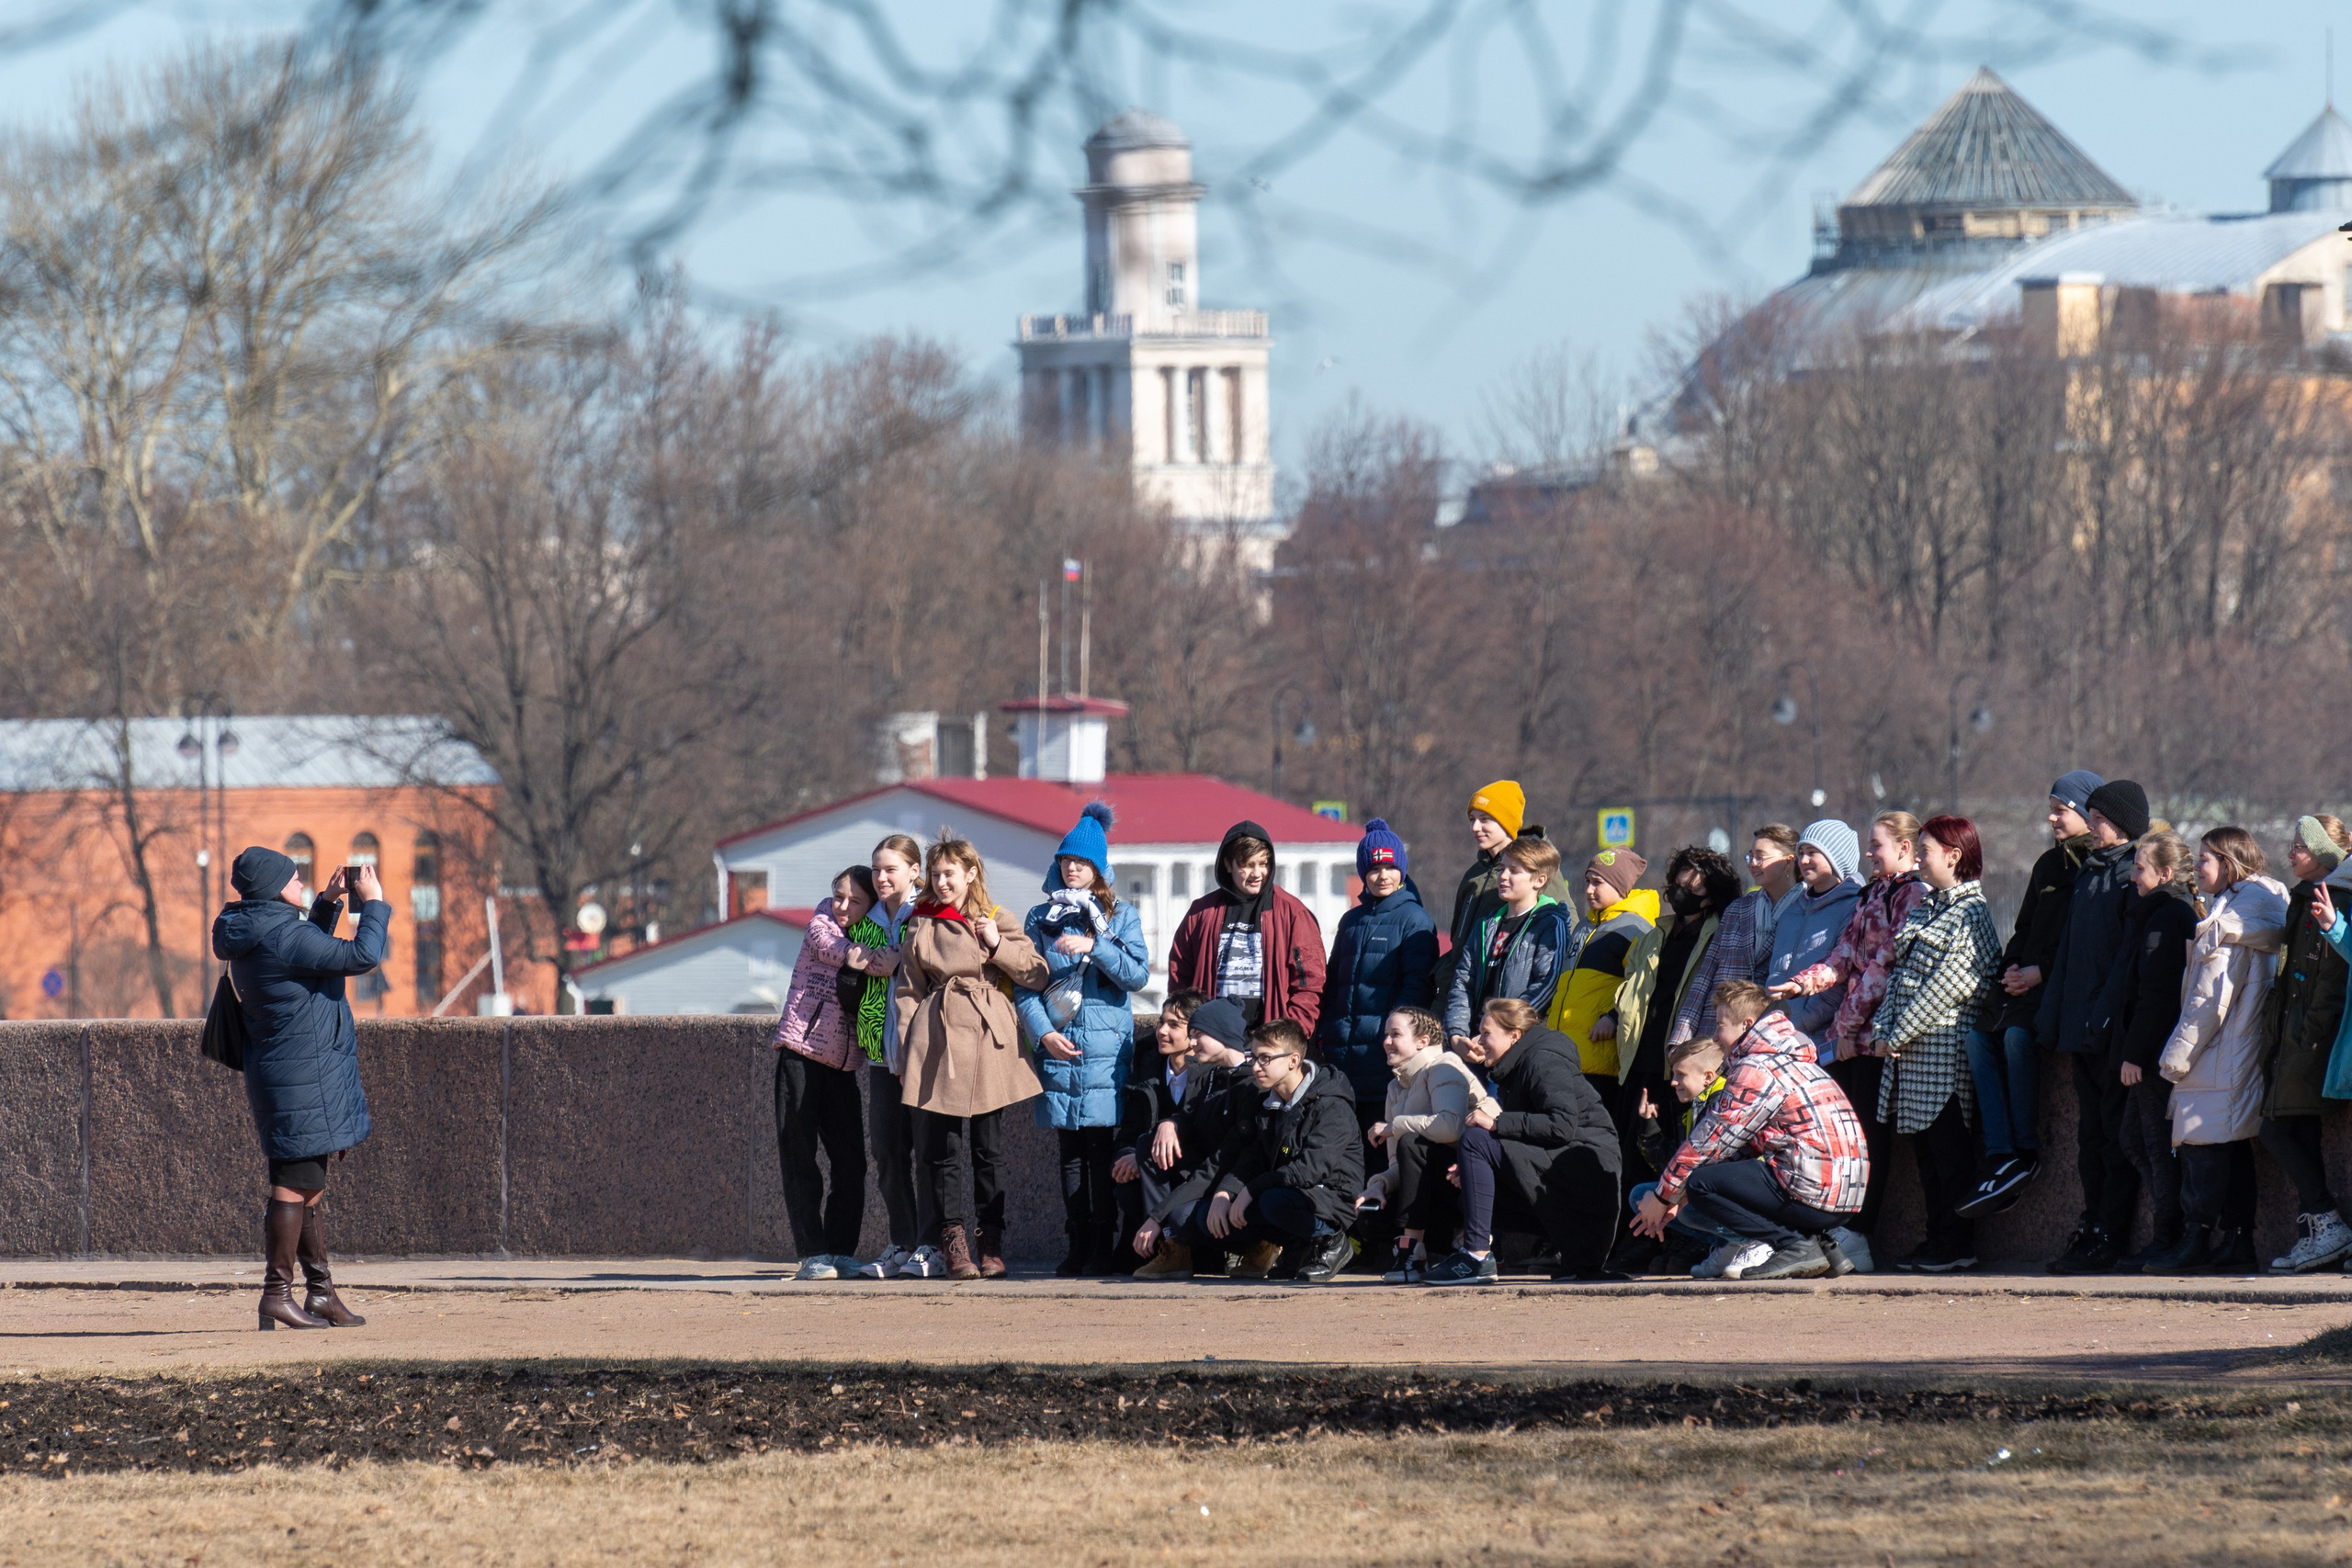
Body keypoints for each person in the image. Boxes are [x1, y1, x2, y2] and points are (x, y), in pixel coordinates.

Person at [212, 845, 391, 1330]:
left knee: (308, 1185)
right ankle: (277, 1294)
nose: (300, 882)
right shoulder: (282, 935)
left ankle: (320, 1293)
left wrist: (328, 904)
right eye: (293, 878)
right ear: (274, 887)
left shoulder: (258, 929)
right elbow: (361, 956)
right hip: (300, 1078)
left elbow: (305, 952)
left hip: (287, 1073)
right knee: (293, 1185)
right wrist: (374, 903)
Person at [1632, 982, 1871, 1281]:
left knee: (1701, 1184)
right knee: (1708, 1179)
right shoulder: (1794, 1060)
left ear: (1746, 1025)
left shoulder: (1757, 1068)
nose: (1715, 1036)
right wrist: (1676, 1196)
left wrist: (1662, 1196)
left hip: (1815, 1190)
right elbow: (1741, 1146)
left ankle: (1794, 1245)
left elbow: (1708, 1144)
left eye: (1720, 1026)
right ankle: (1825, 1247)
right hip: (1847, 1195)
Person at [1771, 812, 1928, 1258]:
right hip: (1854, 1037)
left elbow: (1882, 966)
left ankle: (1860, 1233)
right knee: (1845, 1142)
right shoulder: (1874, 892)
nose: (1869, 853)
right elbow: (1843, 958)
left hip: (1877, 1037)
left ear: (1904, 848)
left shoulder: (1912, 893)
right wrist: (1802, 984)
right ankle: (1839, 1227)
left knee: (1869, 1140)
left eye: (1876, 845)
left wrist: (1845, 1026)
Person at [896, 832, 1050, 1281]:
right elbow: (908, 990)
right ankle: (954, 1243)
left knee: (989, 1148)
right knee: (941, 1149)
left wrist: (997, 945)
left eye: (950, 874)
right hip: (938, 1036)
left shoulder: (996, 917)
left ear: (971, 874)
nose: (941, 883)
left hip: (987, 1035)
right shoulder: (921, 923)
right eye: (935, 874)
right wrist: (906, 1050)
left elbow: (1037, 973)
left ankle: (991, 1242)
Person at [1016, 803, 1153, 1277]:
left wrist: (1096, 946)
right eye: (1066, 861)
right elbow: (1025, 986)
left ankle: (1103, 1243)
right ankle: (1077, 1242)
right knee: (1069, 1152)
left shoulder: (1121, 915)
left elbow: (1137, 975)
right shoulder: (1040, 917)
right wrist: (1044, 1033)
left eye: (1081, 862)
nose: (1072, 868)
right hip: (1060, 1046)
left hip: (1105, 1050)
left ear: (1099, 869)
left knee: (1100, 1150)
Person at [1957, 771, 2101, 1219]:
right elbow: (2023, 929)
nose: (2051, 818)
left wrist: (2042, 974)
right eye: (2051, 810)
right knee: (1977, 1038)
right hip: (2025, 985)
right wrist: (2012, 969)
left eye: (2060, 810)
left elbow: (2088, 946)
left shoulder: (2096, 867)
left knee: (2018, 1038)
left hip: (2057, 989)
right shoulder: (2047, 865)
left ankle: (2024, 1151)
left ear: (2086, 814)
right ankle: (1999, 1153)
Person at [2144, 828, 2289, 1273]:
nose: (2197, 867)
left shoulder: (2230, 921)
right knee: (2232, 1146)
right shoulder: (2256, 907)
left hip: (2217, 1049)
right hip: (2241, 1047)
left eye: (2205, 858)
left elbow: (2209, 1000)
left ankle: (2197, 1241)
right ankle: (2237, 1244)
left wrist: (2175, 1058)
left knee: (2202, 1145)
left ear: (2229, 862)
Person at [1868, 816, 2003, 1273]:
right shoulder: (1927, 907)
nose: (1919, 859)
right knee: (1926, 1156)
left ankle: (1957, 1242)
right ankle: (1936, 1238)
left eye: (1925, 851)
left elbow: (1951, 985)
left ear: (1954, 856)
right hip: (1912, 1053)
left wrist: (1896, 1033)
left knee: (1951, 1152)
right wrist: (1883, 1029)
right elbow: (1900, 977)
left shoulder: (1971, 912)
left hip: (1944, 1051)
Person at [2034, 779, 2150, 1274]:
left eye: (2099, 819)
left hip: (2112, 1031)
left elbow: (2126, 960)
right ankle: (2091, 1224)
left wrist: (2105, 1016)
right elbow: (2068, 954)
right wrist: (2052, 1018)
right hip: (2080, 1028)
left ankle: (2110, 1234)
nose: (2093, 825)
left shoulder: (2130, 873)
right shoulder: (2090, 872)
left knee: (2114, 1138)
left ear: (2121, 824)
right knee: (2090, 1139)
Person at [1425, 998, 1622, 1284]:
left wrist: (1496, 1123)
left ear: (1514, 1036)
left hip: (1587, 1180)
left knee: (1476, 1139)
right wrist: (1475, 1165)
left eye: (1487, 1033)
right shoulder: (1518, 1064)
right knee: (1469, 1179)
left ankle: (1476, 1257)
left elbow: (1561, 1125)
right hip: (1568, 1178)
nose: (1479, 1041)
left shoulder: (1543, 1060)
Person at [1611, 846, 1740, 1266]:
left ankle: (1674, 1244)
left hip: (1687, 1062)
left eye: (1690, 885)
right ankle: (1634, 1243)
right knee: (1635, 1151)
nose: (1678, 892)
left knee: (1675, 1155)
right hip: (1642, 1057)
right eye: (1676, 883)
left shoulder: (1720, 932)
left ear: (1711, 892)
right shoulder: (1659, 932)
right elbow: (1632, 987)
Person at [1172, 1019, 1363, 1283]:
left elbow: (1309, 1170)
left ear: (1293, 1060)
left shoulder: (1331, 1106)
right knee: (1198, 1216)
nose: (1255, 1066)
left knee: (1273, 1202)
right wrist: (1225, 1193)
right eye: (1253, 1057)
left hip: (1332, 1198)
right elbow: (1253, 1157)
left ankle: (1330, 1241)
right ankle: (1295, 1246)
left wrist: (1251, 1190)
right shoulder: (1268, 1103)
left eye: (1265, 1058)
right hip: (1282, 1192)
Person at [1317, 818, 1441, 1189]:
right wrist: (1325, 1031)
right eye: (1373, 869)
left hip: (1384, 1062)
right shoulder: (1351, 921)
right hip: (1342, 1062)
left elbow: (1417, 988)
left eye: (1389, 867)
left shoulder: (1415, 920)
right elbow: (1333, 983)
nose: (1382, 876)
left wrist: (1393, 1039)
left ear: (1402, 870)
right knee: (1342, 1156)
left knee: (1380, 1154)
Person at [2097, 829, 2197, 1270]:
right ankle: (2171, 1230)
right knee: (2136, 1140)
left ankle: (2169, 1235)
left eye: (2140, 869)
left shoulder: (2167, 916)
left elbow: (2156, 995)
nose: (2132, 877)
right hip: (2148, 1051)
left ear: (2166, 873)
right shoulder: (2157, 912)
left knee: (2155, 1146)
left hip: (2154, 1056)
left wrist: (2134, 1055)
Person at [770, 865, 875, 1282]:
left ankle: (840, 1250)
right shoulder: (822, 923)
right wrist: (869, 956)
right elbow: (828, 945)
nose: (842, 905)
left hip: (843, 1066)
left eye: (855, 900)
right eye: (839, 895)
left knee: (851, 1163)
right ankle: (812, 1253)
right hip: (800, 1053)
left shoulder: (871, 935)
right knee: (800, 1158)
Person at [2256, 815, 2352, 1272]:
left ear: (2324, 854)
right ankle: (2314, 1233)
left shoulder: (2335, 897)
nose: (2291, 852)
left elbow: (2330, 979)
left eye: (2301, 845)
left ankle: (2327, 1225)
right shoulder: (2306, 896)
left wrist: (2308, 1032)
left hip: (2312, 1037)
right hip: (2296, 1032)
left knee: (2278, 1129)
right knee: (2296, 1130)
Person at [1122, 994, 1258, 1280]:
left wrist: (1156, 1217)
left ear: (1220, 1035)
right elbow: (1190, 1115)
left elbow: (1222, 1161)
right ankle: (1173, 1252)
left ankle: (1261, 1245)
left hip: (1237, 1185)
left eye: (1197, 1035)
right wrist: (1170, 1123)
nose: (1192, 1043)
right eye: (1191, 1034)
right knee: (1148, 1144)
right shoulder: (1210, 1076)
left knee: (1181, 1216)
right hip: (1209, 1175)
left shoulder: (1250, 1085)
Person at [849, 834, 927, 1280]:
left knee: (930, 1153)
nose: (880, 877)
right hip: (882, 1053)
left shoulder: (925, 912)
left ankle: (932, 1243)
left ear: (914, 871)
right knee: (887, 1151)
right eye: (876, 869)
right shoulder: (869, 920)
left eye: (890, 869)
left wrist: (903, 959)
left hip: (923, 1051)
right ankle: (904, 1241)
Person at [1355, 1007, 1481, 1282]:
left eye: (1395, 1034)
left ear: (1423, 1041)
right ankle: (1435, 1250)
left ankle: (1414, 1251)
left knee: (1412, 1140)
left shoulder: (1444, 1065)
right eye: (1386, 1034)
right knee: (1371, 1216)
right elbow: (1402, 1165)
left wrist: (1396, 1125)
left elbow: (1452, 1126)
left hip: (1467, 1180)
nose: (1386, 1041)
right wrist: (1380, 1184)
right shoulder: (1396, 1086)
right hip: (1436, 1181)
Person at [1167, 820, 1327, 1032]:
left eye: (1263, 864)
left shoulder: (1294, 913)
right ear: (1228, 864)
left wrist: (1291, 1033)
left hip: (1272, 1040)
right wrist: (1188, 1027)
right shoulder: (1201, 913)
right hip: (1211, 1038)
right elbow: (1179, 976)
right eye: (1248, 865)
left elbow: (1310, 983)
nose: (1257, 873)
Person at [1668, 825, 1802, 1050]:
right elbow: (1705, 977)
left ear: (1788, 862)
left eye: (1760, 857)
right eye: (1750, 856)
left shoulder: (1806, 910)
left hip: (1766, 1036)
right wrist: (1680, 1039)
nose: (1753, 863)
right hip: (1714, 1033)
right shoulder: (1738, 909)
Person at [1443, 832, 1580, 1047]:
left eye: (1514, 871)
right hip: (1476, 1042)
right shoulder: (1484, 926)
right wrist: (1457, 1035)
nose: (1503, 876)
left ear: (1540, 880)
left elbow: (1547, 984)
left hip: (1518, 1043)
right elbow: (1462, 983)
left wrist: (1502, 1028)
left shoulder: (1550, 924)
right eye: (1502, 868)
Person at [1626, 1036, 1746, 1276]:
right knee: (1640, 1196)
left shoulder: (1724, 1103)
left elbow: (1712, 1168)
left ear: (1708, 1077)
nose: (1673, 1082)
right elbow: (1673, 1165)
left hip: (1742, 1195)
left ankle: (1753, 1241)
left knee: (1687, 1208)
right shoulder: (1695, 1105)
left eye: (1681, 1075)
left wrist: (1674, 1199)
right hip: (1705, 1191)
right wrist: (1649, 1128)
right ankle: (1728, 1244)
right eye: (1674, 1074)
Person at [1547, 848, 1656, 1096]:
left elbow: (1642, 987)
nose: (1588, 890)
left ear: (1620, 886)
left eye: (1597, 883)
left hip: (1599, 1058)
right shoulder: (1584, 926)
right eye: (1587, 881)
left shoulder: (1636, 929)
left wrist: (1613, 1018)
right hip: (1565, 1052)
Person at [1765, 821, 1865, 1064]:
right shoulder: (1791, 909)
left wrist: (1798, 1023)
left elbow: (1840, 980)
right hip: (1776, 1035)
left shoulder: (1854, 907)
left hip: (1819, 1042)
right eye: (1801, 852)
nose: (1804, 860)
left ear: (1836, 856)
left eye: (1812, 852)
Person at [1450, 780, 1527, 985]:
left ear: (1506, 823)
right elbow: (1457, 940)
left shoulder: (1531, 869)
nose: (1475, 827)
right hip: (1460, 988)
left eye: (1485, 819)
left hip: (1498, 991)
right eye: (1472, 819)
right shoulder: (1473, 875)